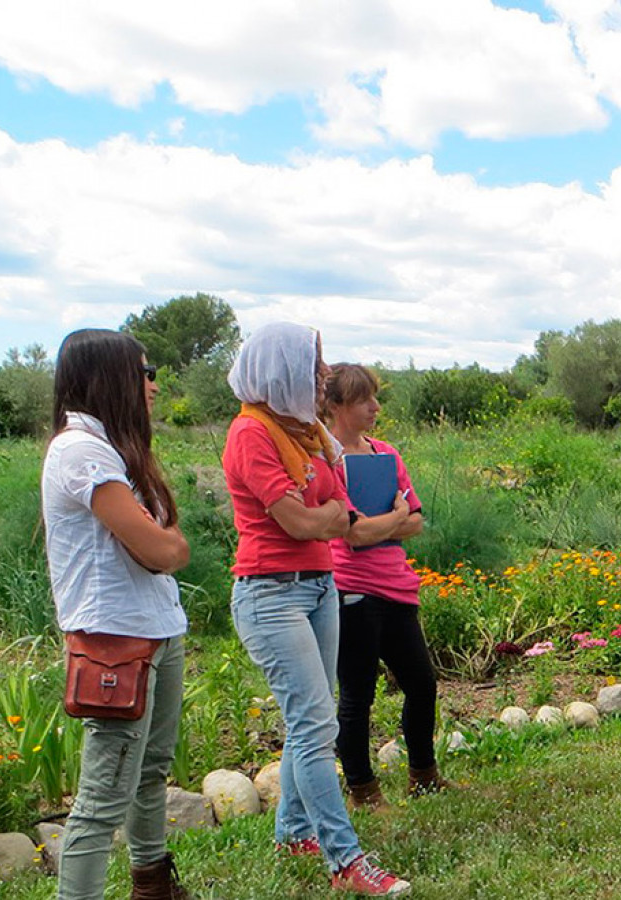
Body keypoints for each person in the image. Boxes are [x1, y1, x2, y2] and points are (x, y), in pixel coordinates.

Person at [223, 323, 411, 896]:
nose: (323, 373)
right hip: (271, 592)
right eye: (315, 363)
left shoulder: (304, 433)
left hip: (319, 585)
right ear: (283, 369)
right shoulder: (251, 434)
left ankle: (292, 832)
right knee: (316, 725)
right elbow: (310, 521)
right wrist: (328, 517)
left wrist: (330, 517)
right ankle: (345, 860)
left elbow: (342, 511)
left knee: (309, 719)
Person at [43, 329, 194, 900]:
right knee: (102, 797)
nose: (153, 383)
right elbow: (163, 550)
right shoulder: (82, 452)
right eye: (144, 371)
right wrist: (169, 546)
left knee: (150, 771)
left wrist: (166, 545)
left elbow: (161, 546)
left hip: (153, 629)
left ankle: (152, 885)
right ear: (111, 378)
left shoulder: (115, 449)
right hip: (115, 640)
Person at [323, 363, 446, 809]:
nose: (375, 407)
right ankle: (363, 790)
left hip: (396, 588)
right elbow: (350, 533)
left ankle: (424, 775)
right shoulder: (326, 460)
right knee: (357, 694)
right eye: (363, 400)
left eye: (375, 398)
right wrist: (392, 520)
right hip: (352, 590)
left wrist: (386, 524)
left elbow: (416, 520)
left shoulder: (386, 454)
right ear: (335, 406)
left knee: (422, 682)